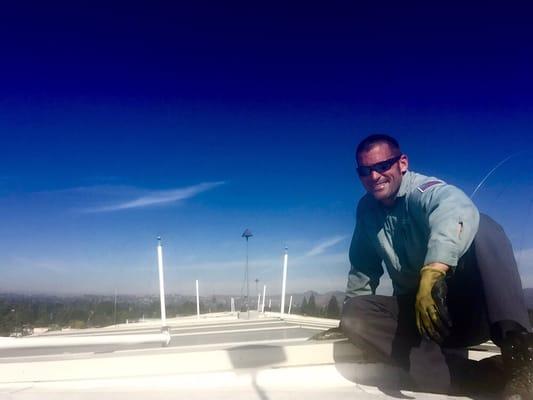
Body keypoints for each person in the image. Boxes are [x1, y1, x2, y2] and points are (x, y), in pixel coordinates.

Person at [339, 134, 533, 398]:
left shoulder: (425, 191)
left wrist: (434, 270)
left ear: (402, 163)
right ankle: (481, 377)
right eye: (365, 171)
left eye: (383, 166)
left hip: (468, 313)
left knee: (484, 227)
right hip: (423, 321)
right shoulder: (366, 210)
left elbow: (455, 208)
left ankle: (518, 356)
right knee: (354, 313)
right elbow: (363, 266)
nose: (374, 176)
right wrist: (349, 325)